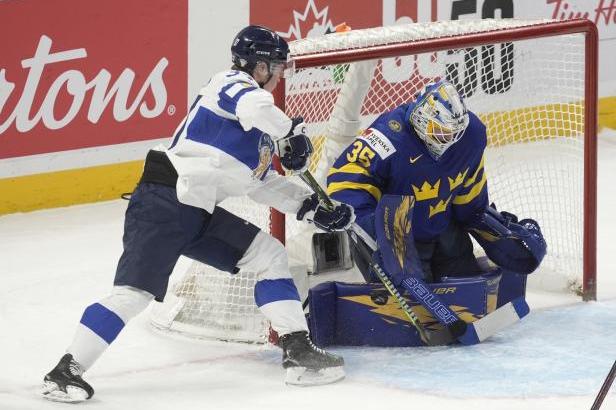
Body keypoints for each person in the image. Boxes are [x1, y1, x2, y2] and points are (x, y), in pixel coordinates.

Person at [41, 25, 354, 402]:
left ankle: (298, 351)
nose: (279, 75)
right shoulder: (230, 84)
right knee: (133, 295)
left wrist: (310, 208)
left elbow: (262, 183)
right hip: (164, 201)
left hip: (198, 211)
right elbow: (255, 106)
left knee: (269, 255)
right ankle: (65, 370)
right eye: (275, 66)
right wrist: (290, 131)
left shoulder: (258, 135)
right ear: (258, 66)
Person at [326, 80, 546, 285]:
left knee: (465, 288)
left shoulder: (471, 136)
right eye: (439, 131)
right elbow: (344, 178)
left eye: (453, 133)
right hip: (396, 234)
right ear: (421, 120)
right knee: (410, 299)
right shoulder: (388, 136)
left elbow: (469, 190)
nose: (447, 139)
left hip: (442, 226)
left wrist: (489, 225)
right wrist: (374, 230)